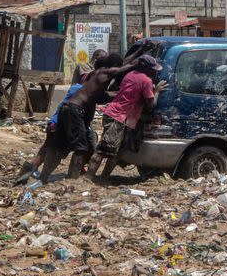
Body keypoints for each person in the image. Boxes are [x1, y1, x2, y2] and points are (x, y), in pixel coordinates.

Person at [39, 53, 141, 183]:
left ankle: (43, 177)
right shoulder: (107, 72)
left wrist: (117, 94)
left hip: (68, 108)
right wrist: (140, 58)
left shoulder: (95, 75)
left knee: (59, 146)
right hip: (76, 110)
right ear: (114, 66)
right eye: (118, 66)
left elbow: (99, 98)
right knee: (81, 149)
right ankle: (72, 180)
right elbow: (126, 66)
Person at [87, 54, 168, 180]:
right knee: (103, 150)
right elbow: (151, 105)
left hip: (120, 116)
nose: (154, 72)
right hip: (119, 116)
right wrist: (156, 91)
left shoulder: (130, 75)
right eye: (152, 69)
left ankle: (102, 179)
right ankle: (89, 178)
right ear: (145, 68)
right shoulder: (146, 81)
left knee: (117, 152)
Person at [14, 83, 96, 185]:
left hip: (53, 123)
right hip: (63, 126)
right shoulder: (85, 90)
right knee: (57, 155)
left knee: (42, 155)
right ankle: (44, 179)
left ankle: (20, 179)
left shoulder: (75, 87)